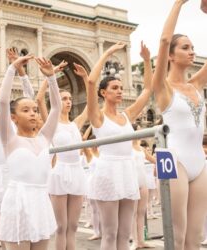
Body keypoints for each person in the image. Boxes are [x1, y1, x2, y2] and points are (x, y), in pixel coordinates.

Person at [86, 41, 153, 250]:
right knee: (110, 233)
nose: (120, 91)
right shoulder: (97, 117)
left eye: (121, 88)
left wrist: (147, 61)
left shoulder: (127, 114)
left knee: (125, 234)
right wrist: (109, 52)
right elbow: (90, 81)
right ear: (103, 93)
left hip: (127, 171)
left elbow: (148, 89)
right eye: (115, 88)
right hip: (108, 171)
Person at [152, 1, 207, 249]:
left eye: (193, 47)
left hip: (200, 163)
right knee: (177, 234)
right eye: (185, 47)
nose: (192, 51)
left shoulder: (197, 85)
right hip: (174, 161)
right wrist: (179, 3)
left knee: (195, 239)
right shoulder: (163, 88)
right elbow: (164, 40)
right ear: (171, 56)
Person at [0, 54, 61, 250]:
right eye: (26, 110)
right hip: (18, 201)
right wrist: (12, 69)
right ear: (13, 117)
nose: (33, 113)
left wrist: (51, 78)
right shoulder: (9, 139)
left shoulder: (44, 138)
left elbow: (56, 107)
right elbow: (2, 102)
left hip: (41, 200)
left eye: (34, 109)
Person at [37, 62, 88, 250]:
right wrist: (50, 76)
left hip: (77, 172)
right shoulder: (51, 123)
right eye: (63, 98)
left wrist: (85, 79)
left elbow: (91, 106)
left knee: (73, 226)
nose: (68, 101)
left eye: (69, 98)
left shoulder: (75, 124)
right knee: (61, 226)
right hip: (59, 172)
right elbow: (40, 99)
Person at [131, 125, 156, 250]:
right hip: (132, 183)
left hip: (143, 183)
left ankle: (141, 240)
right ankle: (135, 241)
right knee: (133, 214)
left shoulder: (141, 149)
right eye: (139, 131)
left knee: (141, 213)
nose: (141, 133)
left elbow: (154, 160)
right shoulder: (127, 148)